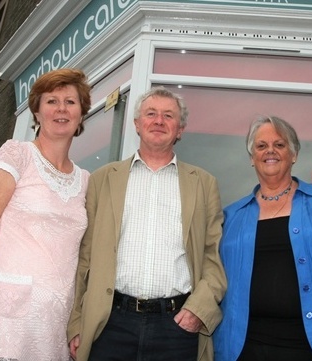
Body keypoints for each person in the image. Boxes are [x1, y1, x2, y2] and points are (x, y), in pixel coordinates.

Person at [67, 86, 227, 361]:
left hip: (176, 328)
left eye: (168, 116)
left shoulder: (203, 183)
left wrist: (197, 311)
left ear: (180, 130)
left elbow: (213, 257)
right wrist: (77, 322)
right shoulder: (103, 180)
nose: (159, 121)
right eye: (151, 114)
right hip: (109, 325)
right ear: (137, 125)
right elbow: (85, 258)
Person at [0, 68, 92, 360]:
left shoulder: (86, 179)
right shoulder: (16, 154)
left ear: (82, 113)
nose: (61, 109)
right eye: (51, 101)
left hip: (53, 321)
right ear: (36, 112)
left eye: (70, 102)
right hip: (1, 318)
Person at [213, 116, 312, 361]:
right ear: (252, 158)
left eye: (280, 144)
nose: (270, 151)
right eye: (261, 146)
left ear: (294, 154)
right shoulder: (231, 216)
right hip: (244, 346)